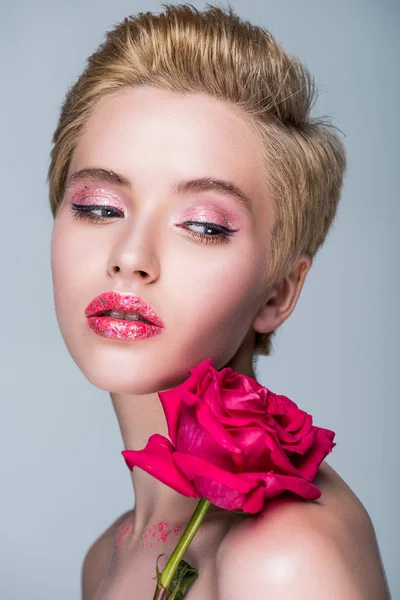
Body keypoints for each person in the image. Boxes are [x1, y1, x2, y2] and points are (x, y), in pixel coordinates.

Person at [48, 3, 390, 599]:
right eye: (99, 207)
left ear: (279, 291)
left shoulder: (284, 559)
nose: (130, 256)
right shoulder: (108, 555)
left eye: (203, 225)